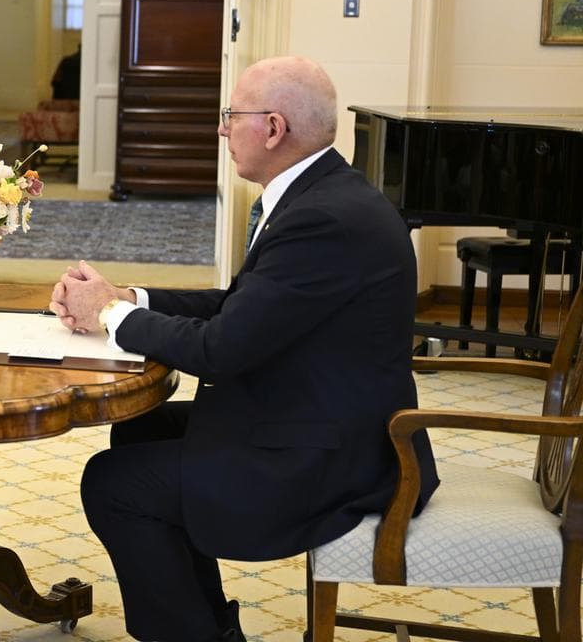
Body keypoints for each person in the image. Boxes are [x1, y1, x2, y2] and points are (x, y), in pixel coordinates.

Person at [49, 56, 439, 642]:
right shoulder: (323, 194)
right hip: (320, 412)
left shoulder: (322, 220)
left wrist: (108, 312)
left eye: (232, 115)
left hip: (331, 453)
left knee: (112, 484)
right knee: (140, 428)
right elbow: (242, 306)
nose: (222, 128)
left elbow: (220, 350)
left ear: (275, 128)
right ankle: (207, 628)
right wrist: (132, 297)